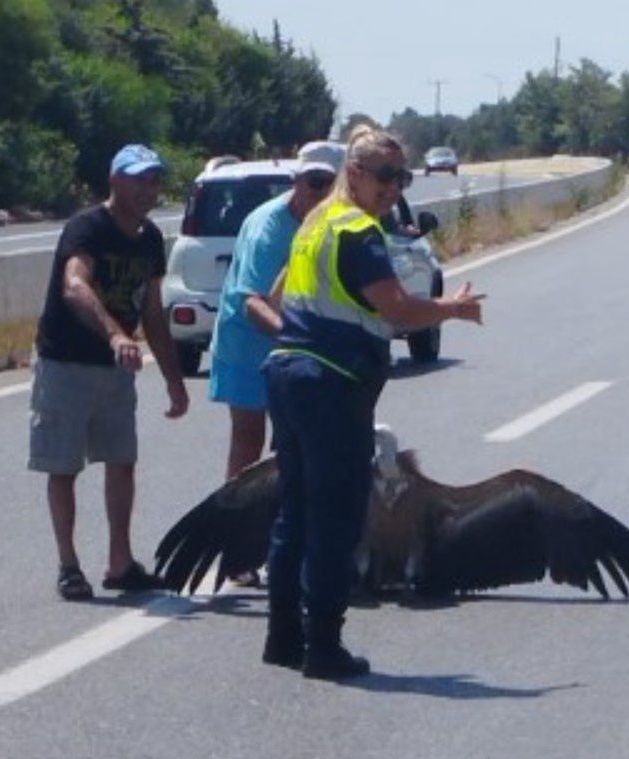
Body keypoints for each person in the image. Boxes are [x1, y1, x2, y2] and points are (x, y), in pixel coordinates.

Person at [261, 126, 485, 679]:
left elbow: (273, 300)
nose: (393, 188)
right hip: (332, 386)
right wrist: (452, 310)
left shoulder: (314, 224)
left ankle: (283, 637)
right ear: (354, 173)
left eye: (401, 178)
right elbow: (397, 310)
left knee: (294, 513)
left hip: (287, 376)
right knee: (335, 520)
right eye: (384, 176)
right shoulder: (359, 232)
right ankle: (324, 647)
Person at [28, 144, 189, 601]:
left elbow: (153, 310)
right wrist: (116, 335)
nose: (147, 189)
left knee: (122, 461)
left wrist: (174, 380)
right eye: (138, 179)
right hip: (67, 362)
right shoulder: (87, 228)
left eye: (154, 180)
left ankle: (120, 562)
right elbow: (75, 285)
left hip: (116, 371)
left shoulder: (151, 239)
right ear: (115, 181)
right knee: (63, 465)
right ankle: (68, 564)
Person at [208, 141, 345, 481]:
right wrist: (300, 341)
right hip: (247, 342)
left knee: (302, 439)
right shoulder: (267, 228)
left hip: (299, 342)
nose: (321, 192)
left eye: (331, 185)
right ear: (296, 181)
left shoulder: (335, 223)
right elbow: (253, 303)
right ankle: (233, 523)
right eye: (314, 182)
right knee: (249, 440)